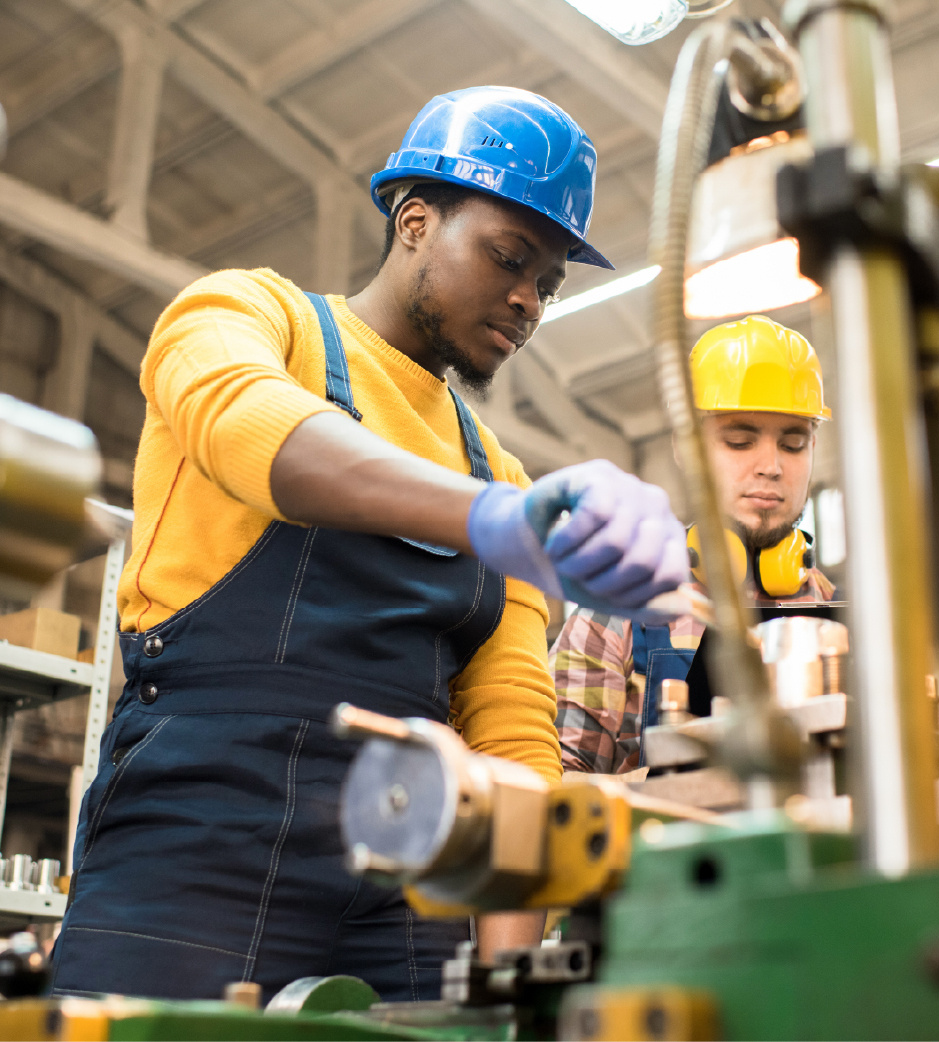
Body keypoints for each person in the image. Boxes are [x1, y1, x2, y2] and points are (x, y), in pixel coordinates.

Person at [50, 86, 688, 1002]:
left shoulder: (496, 467)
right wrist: (491, 522)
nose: (529, 301)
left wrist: (508, 976)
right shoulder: (252, 316)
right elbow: (248, 424)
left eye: (548, 283)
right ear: (416, 221)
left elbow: (511, 733)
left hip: (414, 869)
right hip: (199, 832)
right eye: (510, 258)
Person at [553, 315, 836, 775]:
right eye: (740, 441)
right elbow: (556, 790)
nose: (771, 466)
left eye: (793, 443)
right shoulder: (617, 608)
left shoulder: (831, 611)